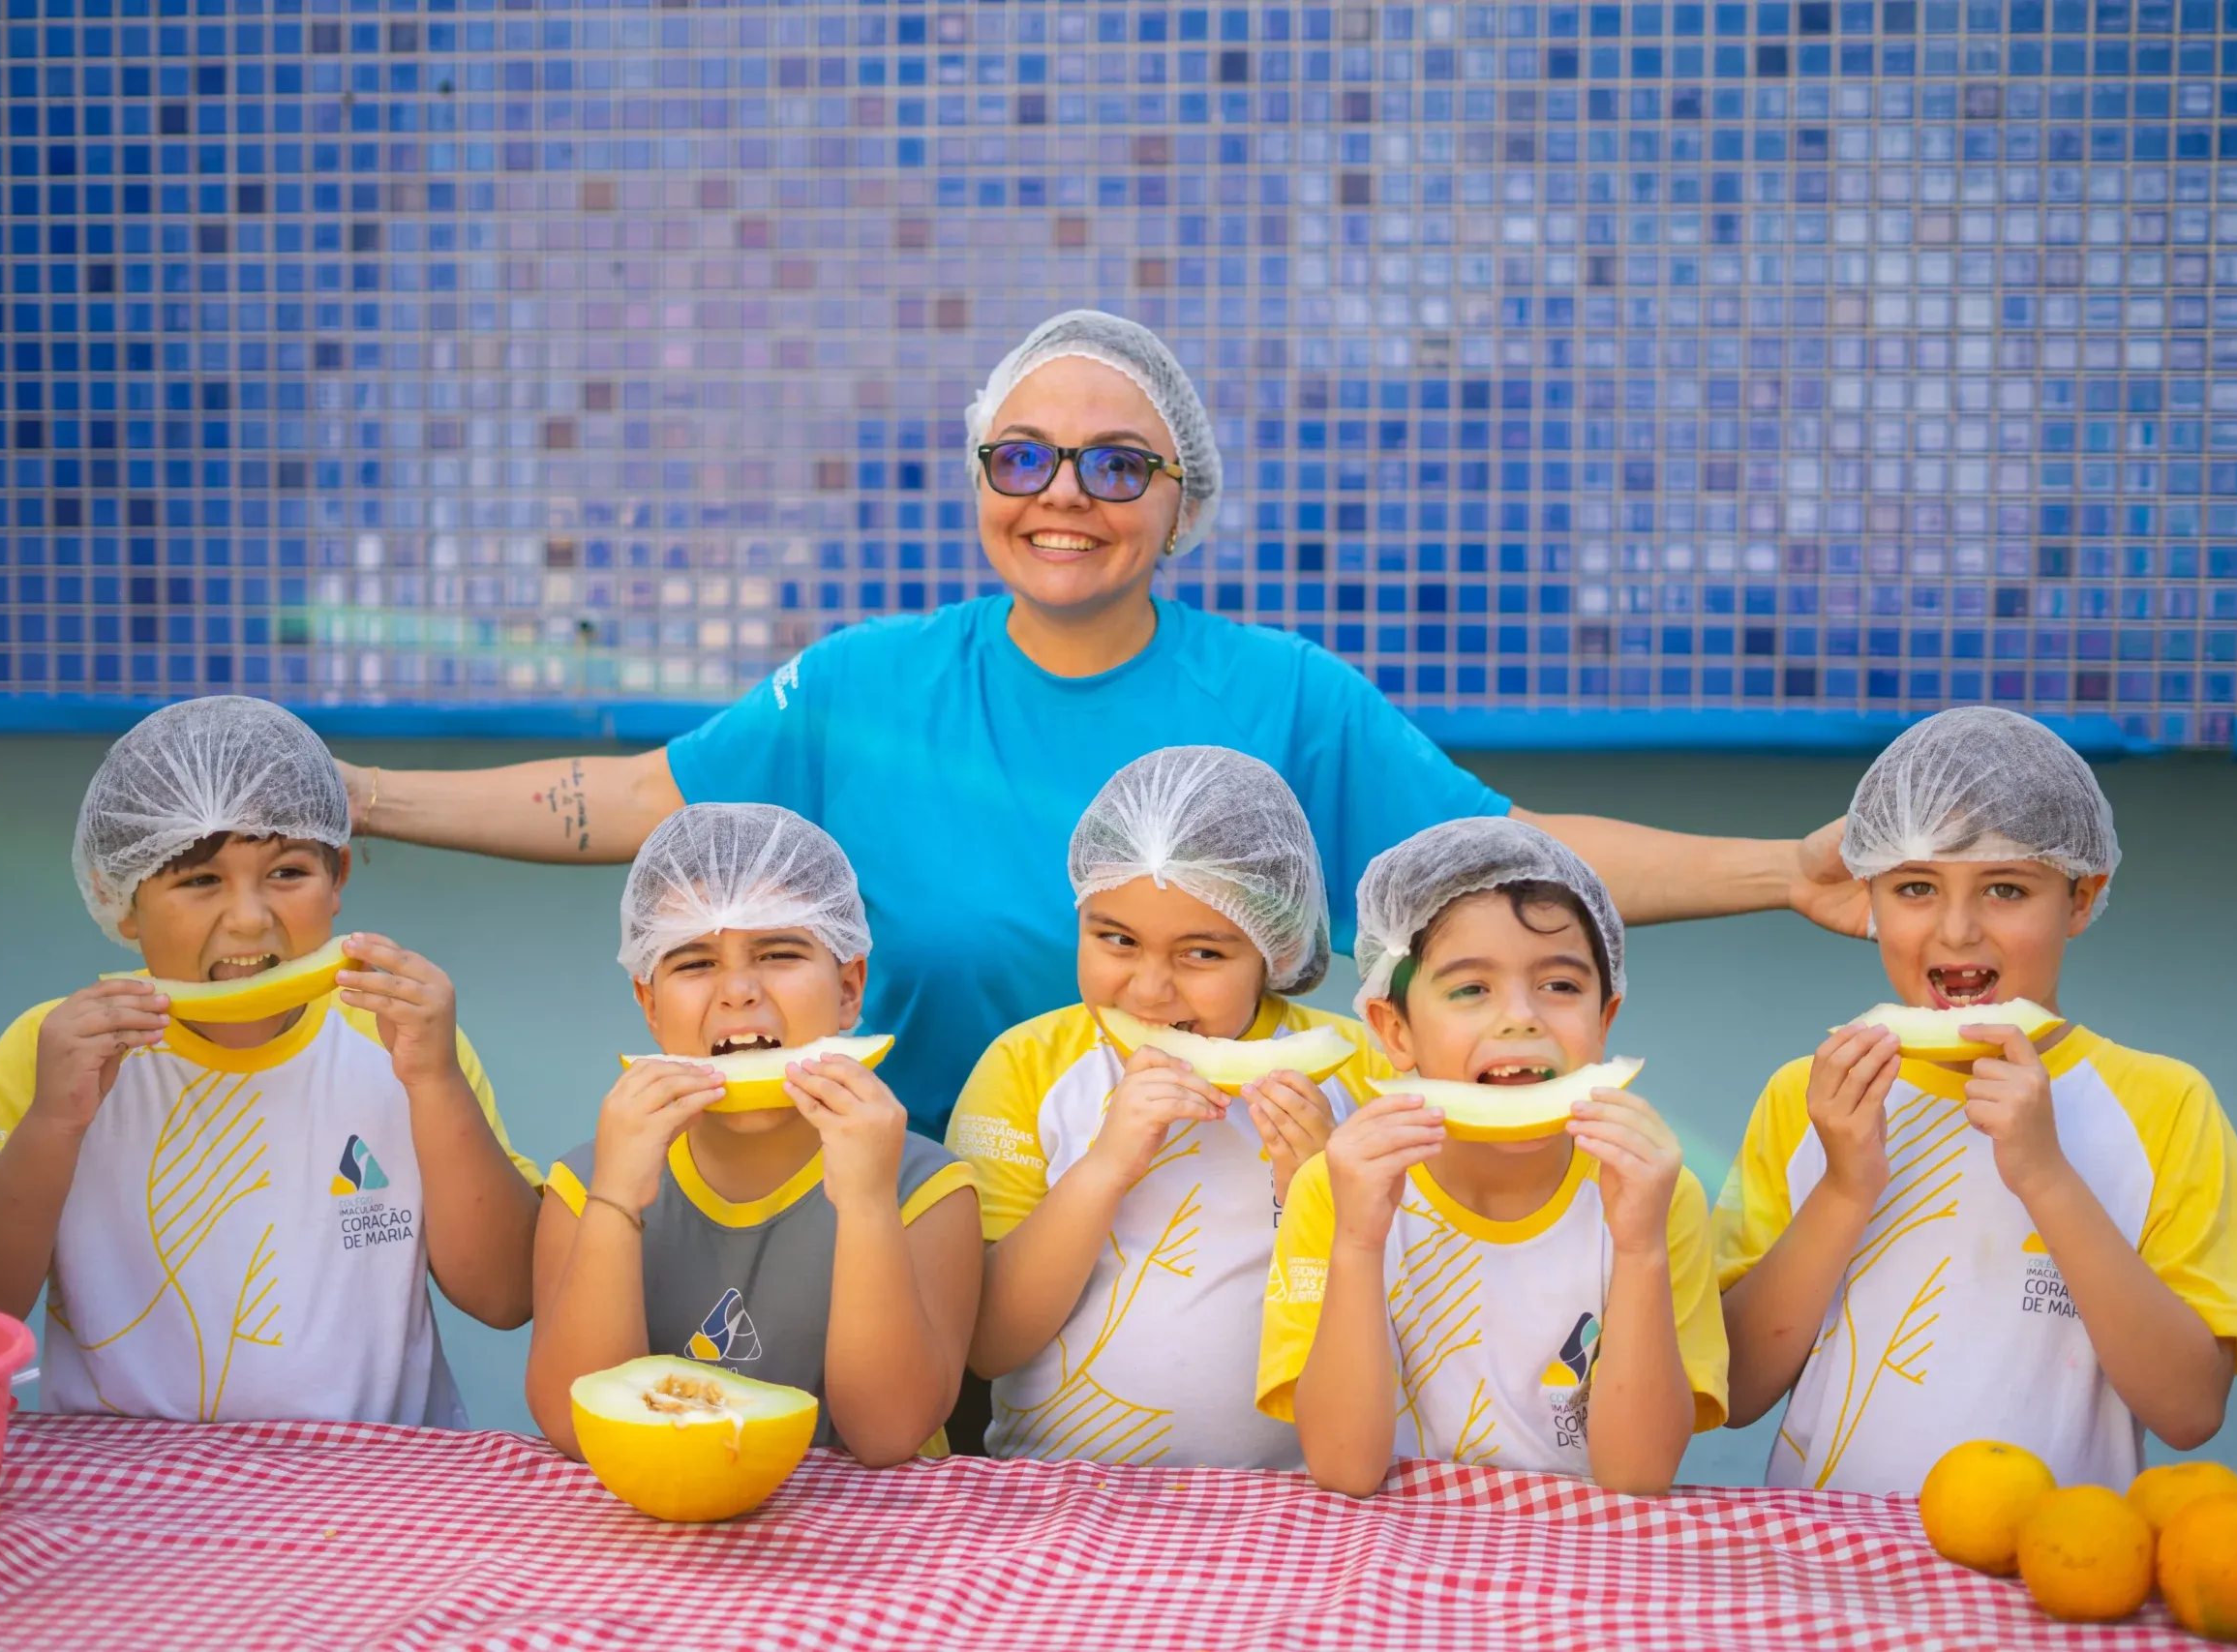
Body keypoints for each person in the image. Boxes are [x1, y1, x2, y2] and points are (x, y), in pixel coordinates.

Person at [329, 310, 1867, 1134]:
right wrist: (358, 797)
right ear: (982, 478)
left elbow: (1513, 858)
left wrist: (1783, 872)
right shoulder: (867, 681)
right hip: (917, 1217)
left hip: (1221, 1213)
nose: (1065, 495)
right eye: (1025, 456)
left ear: (1179, 498)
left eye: (1117, 465)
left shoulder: (1282, 694)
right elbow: (627, 800)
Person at [0, 696, 539, 1426]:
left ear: (338, 877)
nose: (248, 917)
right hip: (120, 1492)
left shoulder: (400, 1039)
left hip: (376, 1488)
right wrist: (53, 1122)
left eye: (287, 872)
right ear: (123, 901)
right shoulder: (52, 1051)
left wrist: (436, 1084)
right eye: (200, 879)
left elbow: (506, 1295)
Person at [1715, 707, 2237, 1492]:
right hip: (1826, 1565)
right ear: (1870, 899)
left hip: (2057, 1570)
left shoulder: (2165, 1104)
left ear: (2082, 898)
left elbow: (2191, 1409)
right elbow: (1738, 1389)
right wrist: (1844, 1186)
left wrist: (2048, 1176)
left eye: (2006, 887)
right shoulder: (1811, 1095)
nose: (1957, 930)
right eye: (1916, 886)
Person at [1261, 817, 1727, 1497]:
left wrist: (1641, 1249)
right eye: (1470, 988)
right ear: (1395, 1028)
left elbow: (1639, 1475)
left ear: (1605, 1020)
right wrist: (1359, 1241)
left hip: (1578, 1564)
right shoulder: (1335, 1187)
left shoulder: (1655, 1191)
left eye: (1561, 986)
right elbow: (1344, 1468)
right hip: (1390, 1562)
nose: (1522, 1017)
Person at [949, 746, 1380, 1468]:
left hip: (1302, 1503)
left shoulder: (1362, 1069)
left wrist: (1322, 1191)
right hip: (1054, 1498)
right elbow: (987, 1340)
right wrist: (1105, 1167)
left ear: (1273, 948)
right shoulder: (1024, 1067)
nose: (1149, 991)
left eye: (1202, 954)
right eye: (1116, 939)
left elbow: (1421, 1316)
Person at [526, 804, 982, 1467]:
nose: (738, 990)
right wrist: (615, 1199)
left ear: (850, 988)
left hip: (871, 1550)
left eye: (779, 952)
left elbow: (887, 1434)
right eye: (694, 962)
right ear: (649, 1004)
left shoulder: (928, 1190)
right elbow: (575, 1427)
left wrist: (866, 1201)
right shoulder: (582, 1183)